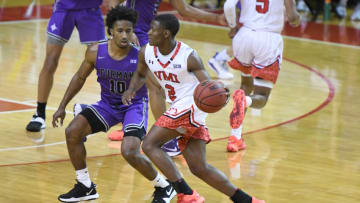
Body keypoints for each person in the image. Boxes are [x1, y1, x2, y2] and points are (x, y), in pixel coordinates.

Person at [122, 13, 265, 203]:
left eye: (153, 29)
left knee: (149, 144)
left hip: (191, 106)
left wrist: (221, 94)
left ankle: (186, 193)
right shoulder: (146, 51)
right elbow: (141, 74)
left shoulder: (188, 56)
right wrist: (131, 90)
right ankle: (245, 200)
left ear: (165, 33)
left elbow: (208, 86)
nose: (148, 33)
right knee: (199, 167)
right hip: (180, 107)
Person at [52, 6, 176, 202]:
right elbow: (79, 77)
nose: (125, 35)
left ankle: (164, 186)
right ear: (110, 31)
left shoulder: (142, 56)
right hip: (107, 106)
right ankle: (85, 186)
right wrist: (61, 107)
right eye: (120, 30)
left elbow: (156, 90)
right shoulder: (95, 51)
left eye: (129, 30)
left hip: (134, 107)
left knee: (129, 151)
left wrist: (165, 123)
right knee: (72, 131)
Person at [108, 0, 227, 156]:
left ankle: (165, 133)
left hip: (148, 35)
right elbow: (112, 3)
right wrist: (126, 30)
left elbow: (183, 9)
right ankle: (137, 128)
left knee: (154, 87)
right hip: (135, 33)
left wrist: (216, 19)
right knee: (144, 85)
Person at [25, 0, 121, 132]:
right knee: (50, 61)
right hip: (64, 10)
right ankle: (39, 114)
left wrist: (114, 11)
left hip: (90, 9)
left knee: (105, 60)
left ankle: (116, 109)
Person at [223, 0, 300, 152]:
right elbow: (292, 18)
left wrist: (232, 27)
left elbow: (228, 5)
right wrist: (296, 18)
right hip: (268, 39)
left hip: (244, 36)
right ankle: (246, 101)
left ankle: (235, 138)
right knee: (261, 96)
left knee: (245, 85)